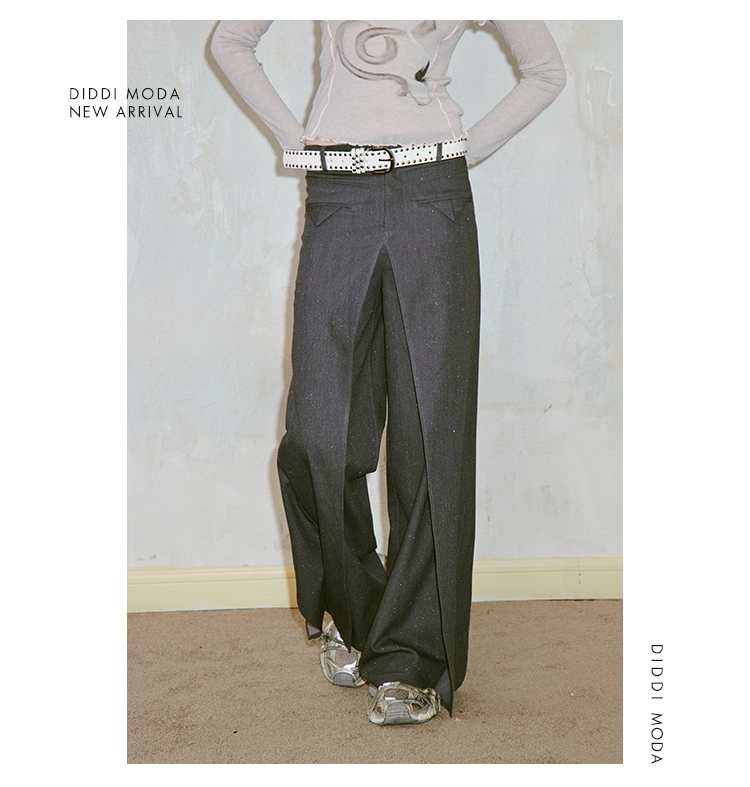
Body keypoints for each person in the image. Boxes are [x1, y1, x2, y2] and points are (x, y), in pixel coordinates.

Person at [211, 20, 565, 725]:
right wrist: (295, 137)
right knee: (320, 434)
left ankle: (411, 656)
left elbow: (546, 72)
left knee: (430, 434)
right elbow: (230, 40)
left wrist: (465, 148)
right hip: (338, 191)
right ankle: (359, 614)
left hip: (433, 194)